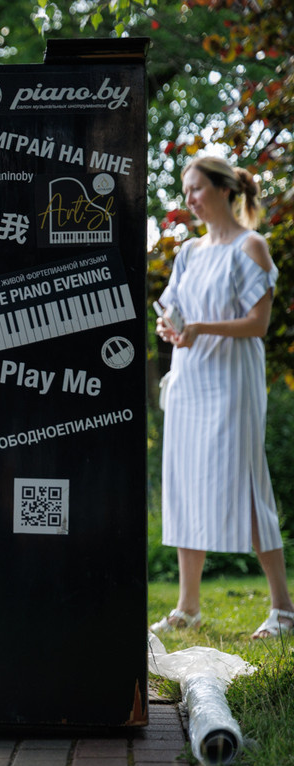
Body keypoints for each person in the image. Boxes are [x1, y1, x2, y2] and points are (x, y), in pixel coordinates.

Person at [152, 155, 293, 639]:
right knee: (186, 482)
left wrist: (199, 328)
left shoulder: (251, 247)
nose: (190, 199)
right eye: (186, 191)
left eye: (196, 189)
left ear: (225, 190)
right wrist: (168, 327)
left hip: (232, 381)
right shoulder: (188, 253)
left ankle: (283, 610)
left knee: (247, 483)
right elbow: (171, 309)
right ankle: (188, 606)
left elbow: (259, 324)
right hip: (189, 378)